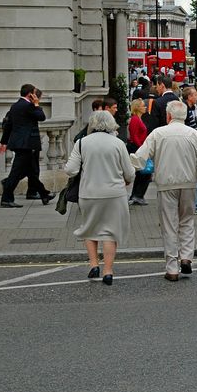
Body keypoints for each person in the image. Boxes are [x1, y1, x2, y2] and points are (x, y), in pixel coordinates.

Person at [131, 100, 197, 281]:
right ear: (184, 116)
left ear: (169, 116)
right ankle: (186, 257)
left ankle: (172, 269)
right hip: (188, 184)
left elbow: (140, 158)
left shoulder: (158, 133)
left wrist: (126, 172)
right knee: (187, 221)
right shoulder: (195, 135)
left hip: (166, 185)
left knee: (169, 226)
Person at [64, 111, 134, 285]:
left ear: (92, 124)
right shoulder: (118, 143)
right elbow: (130, 173)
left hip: (89, 193)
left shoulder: (82, 143)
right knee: (110, 232)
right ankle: (108, 271)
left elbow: (70, 170)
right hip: (114, 194)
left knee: (90, 228)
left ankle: (94, 265)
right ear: (111, 124)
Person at [0, 83, 55, 207]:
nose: (36, 95)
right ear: (30, 94)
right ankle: (6, 198)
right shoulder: (28, 106)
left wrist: (4, 142)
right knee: (16, 172)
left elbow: (9, 125)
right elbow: (41, 117)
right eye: (35, 93)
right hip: (27, 144)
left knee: (32, 171)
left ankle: (44, 194)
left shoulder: (15, 106)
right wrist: (36, 104)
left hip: (19, 143)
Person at [127, 98, 151, 206]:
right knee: (144, 173)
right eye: (143, 105)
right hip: (137, 148)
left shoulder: (138, 118)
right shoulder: (135, 119)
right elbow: (134, 135)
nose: (145, 107)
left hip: (139, 147)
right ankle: (138, 195)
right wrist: (141, 148)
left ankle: (137, 195)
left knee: (143, 173)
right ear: (137, 107)